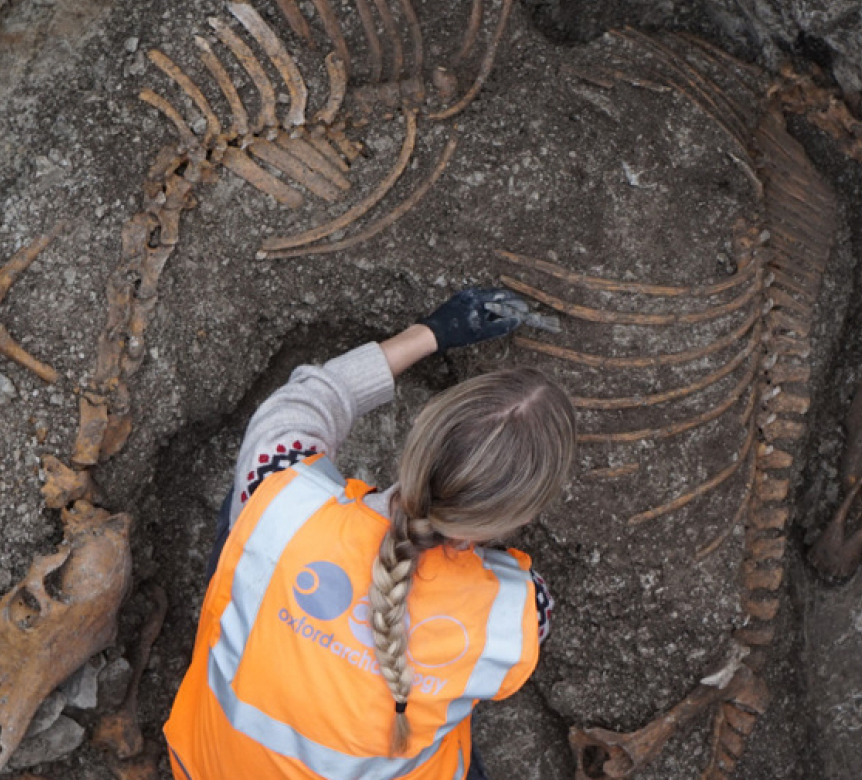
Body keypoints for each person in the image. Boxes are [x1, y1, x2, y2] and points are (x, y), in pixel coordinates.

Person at [164, 288, 577, 780]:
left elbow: (313, 396)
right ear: (516, 522)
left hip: (207, 766)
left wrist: (435, 332)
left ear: (418, 440)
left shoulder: (278, 489)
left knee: (250, 528)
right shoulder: (519, 612)